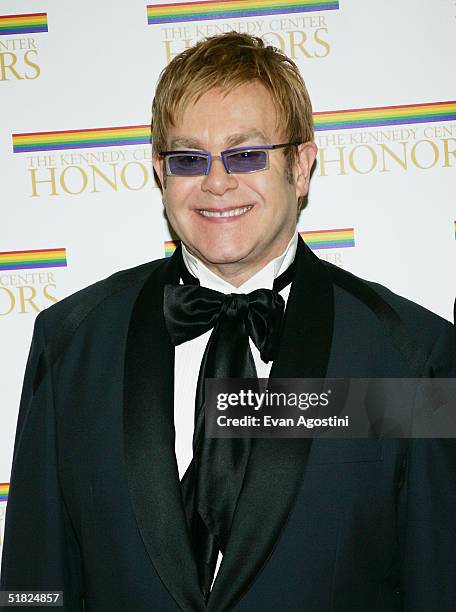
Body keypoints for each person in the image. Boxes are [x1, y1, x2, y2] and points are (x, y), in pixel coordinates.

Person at [1, 32, 455, 612]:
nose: (217, 181)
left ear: (302, 165)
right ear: (161, 174)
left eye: (247, 154)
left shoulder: (410, 358)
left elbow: (439, 586)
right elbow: (32, 588)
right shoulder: (71, 345)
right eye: (189, 158)